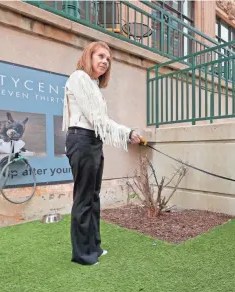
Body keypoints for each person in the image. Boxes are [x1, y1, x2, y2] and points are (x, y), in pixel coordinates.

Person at [62, 41, 142, 266]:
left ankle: (94, 247)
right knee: (84, 198)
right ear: (89, 56)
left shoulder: (93, 86)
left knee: (93, 197)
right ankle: (82, 255)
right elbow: (97, 120)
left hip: (93, 141)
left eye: (108, 59)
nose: (105, 61)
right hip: (82, 139)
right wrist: (127, 132)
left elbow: (100, 122)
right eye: (101, 56)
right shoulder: (79, 78)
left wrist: (128, 133)